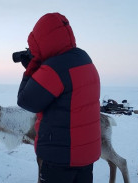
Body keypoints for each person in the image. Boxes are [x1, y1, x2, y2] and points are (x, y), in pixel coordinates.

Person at [16, 13, 101, 183]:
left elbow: (26, 101)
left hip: (59, 157)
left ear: (41, 41)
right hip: (86, 155)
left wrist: (32, 68)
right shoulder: (84, 59)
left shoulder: (55, 67)